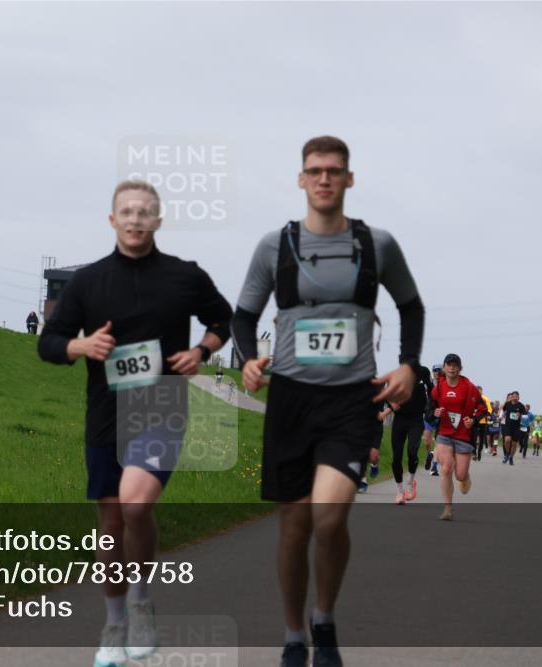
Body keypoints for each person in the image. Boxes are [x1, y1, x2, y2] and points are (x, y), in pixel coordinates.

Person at [231, 136, 424, 667]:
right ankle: (295, 635)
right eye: (314, 171)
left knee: (329, 517)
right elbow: (243, 315)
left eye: (334, 171)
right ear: (300, 179)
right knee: (294, 526)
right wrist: (248, 358)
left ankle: (325, 620)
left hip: (350, 401)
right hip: (291, 399)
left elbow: (411, 305)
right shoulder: (275, 246)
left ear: (349, 179)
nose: (324, 179)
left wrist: (408, 364)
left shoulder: (376, 245)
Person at [38, 180, 232, 667]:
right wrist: (80, 346)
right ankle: (114, 622)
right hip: (106, 409)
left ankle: (142, 602)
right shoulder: (88, 282)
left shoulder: (183, 276)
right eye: (126, 211)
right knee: (109, 523)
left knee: (135, 505)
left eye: (145, 212)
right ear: (112, 220)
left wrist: (200, 351)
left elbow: (222, 319)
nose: (135, 219)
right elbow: (50, 341)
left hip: (161, 404)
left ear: (158, 221)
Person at [430, 353, 487, 520]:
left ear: (460, 368)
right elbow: (430, 408)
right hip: (444, 434)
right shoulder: (439, 387)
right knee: (446, 468)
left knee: (460, 475)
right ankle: (448, 509)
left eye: (455, 365)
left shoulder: (469, 387)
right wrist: (435, 413)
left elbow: (483, 408)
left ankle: (465, 477)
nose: (452, 368)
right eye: (449, 365)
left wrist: (474, 421)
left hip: (463, 434)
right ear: (444, 368)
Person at [379, 362, 431, 504]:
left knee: (412, 451)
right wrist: (391, 405)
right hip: (400, 419)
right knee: (397, 457)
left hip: (416, 419)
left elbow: (432, 392)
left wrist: (431, 413)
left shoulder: (424, 372)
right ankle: (400, 491)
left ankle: (410, 483)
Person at [423, 365, 442, 476]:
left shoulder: (446, 384)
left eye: (439, 370)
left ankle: (434, 467)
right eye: (435, 370)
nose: (437, 372)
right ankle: (429, 454)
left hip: (441, 416)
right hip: (430, 415)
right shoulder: (429, 384)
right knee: (427, 442)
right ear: (432, 372)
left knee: (438, 442)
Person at [501, 391, 527, 466]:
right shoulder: (508, 404)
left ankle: (511, 457)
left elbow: (524, 415)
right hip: (508, 426)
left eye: (516, 396)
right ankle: (506, 454)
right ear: (512, 397)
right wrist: (506, 401)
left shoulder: (521, 406)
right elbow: (502, 409)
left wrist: (520, 415)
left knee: (514, 444)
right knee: (507, 440)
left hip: (516, 427)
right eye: (513, 396)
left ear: (518, 397)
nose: (515, 397)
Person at [472, 386, 492, 462]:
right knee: (473, 437)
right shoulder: (472, 397)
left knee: (481, 438)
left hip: (483, 421)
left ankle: (479, 452)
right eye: (477, 391)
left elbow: (489, 409)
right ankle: (474, 452)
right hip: (474, 421)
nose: (479, 392)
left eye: (480, 391)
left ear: (482, 391)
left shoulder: (485, 399)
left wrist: (488, 415)